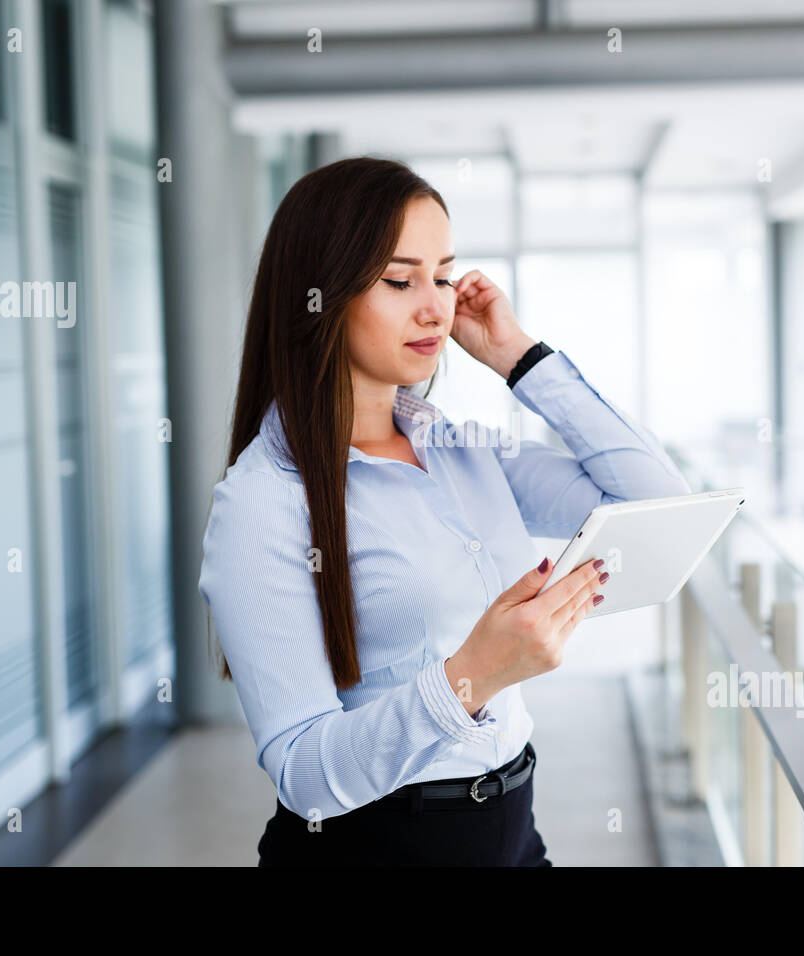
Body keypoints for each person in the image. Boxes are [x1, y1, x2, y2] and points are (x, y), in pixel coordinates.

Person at [198, 157, 691, 866]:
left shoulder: (462, 448)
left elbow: (658, 502)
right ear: (320, 296)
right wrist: (472, 676)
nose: (434, 306)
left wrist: (518, 356)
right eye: (400, 281)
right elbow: (305, 774)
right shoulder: (263, 501)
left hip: (513, 829)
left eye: (443, 275)